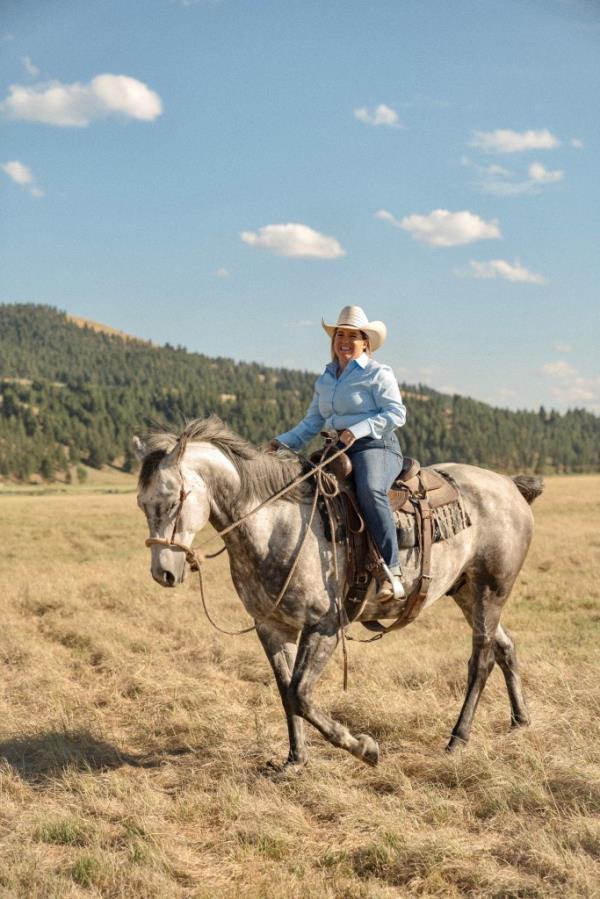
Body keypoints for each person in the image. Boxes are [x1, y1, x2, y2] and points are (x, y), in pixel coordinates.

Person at [271, 305, 407, 601]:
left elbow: (396, 414)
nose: (344, 341)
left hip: (375, 446)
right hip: (335, 450)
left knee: (371, 490)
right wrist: (281, 444)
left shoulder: (377, 373)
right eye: (339, 335)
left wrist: (357, 430)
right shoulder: (326, 378)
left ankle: (392, 571)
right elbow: (311, 423)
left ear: (365, 341)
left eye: (352, 336)